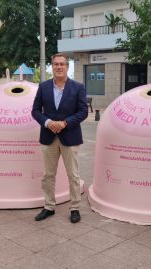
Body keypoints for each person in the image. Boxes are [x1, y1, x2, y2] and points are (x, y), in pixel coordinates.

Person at [31, 53, 88, 223]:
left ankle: (75, 208)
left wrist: (65, 123)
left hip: (70, 136)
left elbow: (83, 111)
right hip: (49, 136)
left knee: (73, 175)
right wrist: (48, 122)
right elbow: (35, 111)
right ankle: (49, 206)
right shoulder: (43, 87)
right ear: (52, 66)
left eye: (62, 64)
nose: (59, 67)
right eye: (56, 64)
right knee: (48, 175)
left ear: (67, 67)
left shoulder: (78, 87)